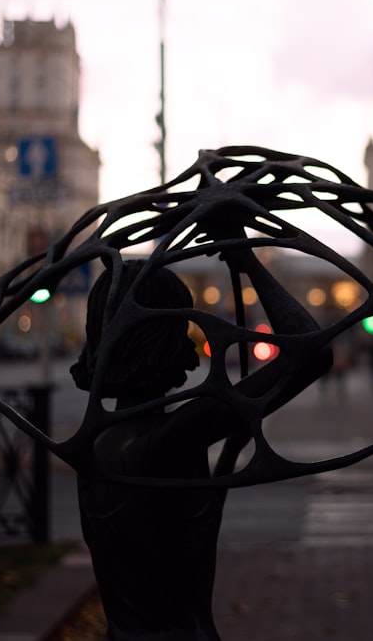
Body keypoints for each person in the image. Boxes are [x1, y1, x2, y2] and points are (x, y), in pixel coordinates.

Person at [70, 247, 332, 640]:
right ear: (152, 338)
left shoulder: (96, 445)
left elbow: (174, 532)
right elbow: (311, 354)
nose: (190, 347)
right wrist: (248, 260)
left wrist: (228, 451)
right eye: (181, 329)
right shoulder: (167, 439)